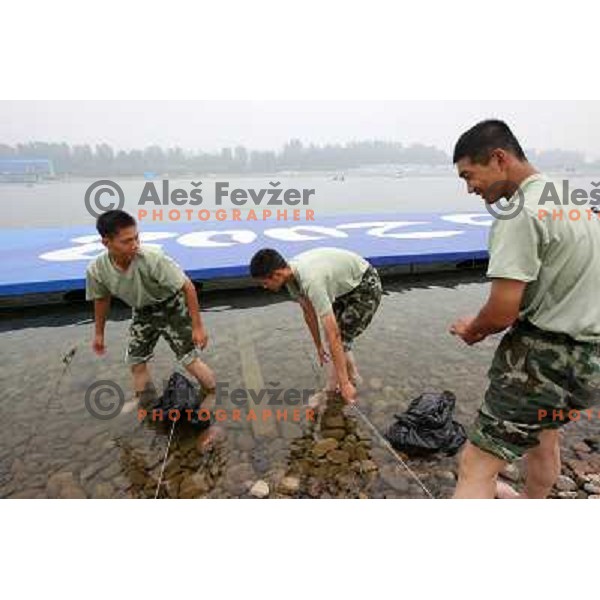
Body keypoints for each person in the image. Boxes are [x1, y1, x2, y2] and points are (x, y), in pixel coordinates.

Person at [449, 119, 600, 498]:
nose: (470, 188)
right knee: (543, 438)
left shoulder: (519, 213)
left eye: (470, 175)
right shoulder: (569, 197)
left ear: (499, 158)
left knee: (476, 465)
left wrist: (473, 329)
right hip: (589, 359)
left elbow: (501, 313)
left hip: (542, 360)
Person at [86, 209, 216, 409]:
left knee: (189, 359)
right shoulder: (97, 270)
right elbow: (101, 299)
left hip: (171, 307)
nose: (135, 245)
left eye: (136, 238)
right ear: (106, 242)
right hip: (142, 312)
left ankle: (211, 394)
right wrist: (99, 334)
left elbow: (187, 287)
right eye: (127, 241)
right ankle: (146, 405)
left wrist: (198, 326)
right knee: (136, 361)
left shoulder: (153, 258)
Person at [249, 247, 382, 404]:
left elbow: (334, 335)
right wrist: (318, 345)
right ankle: (353, 374)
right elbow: (308, 312)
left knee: (339, 337)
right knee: (333, 339)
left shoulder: (312, 282)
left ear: (277, 274)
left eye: (265, 283)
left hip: (365, 285)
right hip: (344, 286)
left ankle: (332, 389)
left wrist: (343, 383)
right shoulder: (291, 277)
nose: (264, 287)